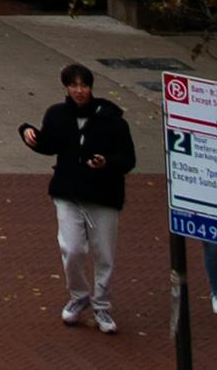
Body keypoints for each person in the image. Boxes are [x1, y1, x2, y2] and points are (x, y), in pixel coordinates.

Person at [23, 62, 136, 333]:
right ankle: (79, 295)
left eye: (83, 85)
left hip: (103, 195)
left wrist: (106, 162)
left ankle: (102, 306)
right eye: (73, 86)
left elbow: (128, 159)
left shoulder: (112, 119)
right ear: (66, 88)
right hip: (68, 192)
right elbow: (49, 145)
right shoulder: (57, 115)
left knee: (104, 253)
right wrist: (27, 132)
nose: (79, 91)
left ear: (91, 87)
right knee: (72, 249)